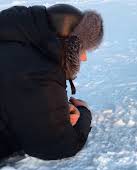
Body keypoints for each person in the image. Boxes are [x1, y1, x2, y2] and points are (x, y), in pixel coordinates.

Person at [0, 4, 103, 161]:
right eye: (83, 49)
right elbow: (58, 145)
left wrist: (51, 110)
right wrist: (83, 112)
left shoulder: (15, 38)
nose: (84, 58)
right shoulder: (40, 71)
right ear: (70, 44)